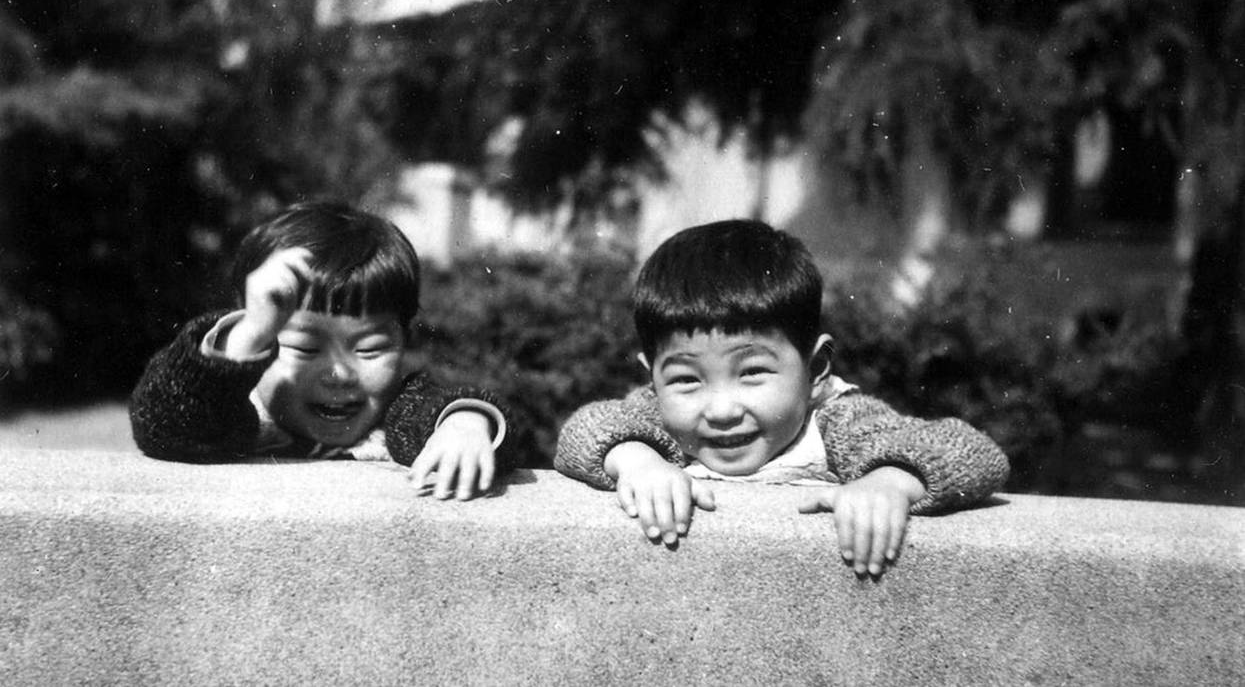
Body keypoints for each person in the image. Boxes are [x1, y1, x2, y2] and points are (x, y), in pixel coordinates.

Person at [555, 219, 1009, 576]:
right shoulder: (658, 421)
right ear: (651, 378)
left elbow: (973, 454)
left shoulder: (836, 418)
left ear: (816, 369)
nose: (722, 410)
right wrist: (638, 462)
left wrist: (888, 483)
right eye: (687, 381)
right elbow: (585, 430)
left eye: (752, 372)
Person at [131, 201, 511, 501]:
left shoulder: (397, 418)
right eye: (305, 346)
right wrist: (251, 332)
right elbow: (163, 423)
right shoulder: (237, 418)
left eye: (369, 349)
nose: (339, 373)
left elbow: (444, 408)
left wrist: (465, 426)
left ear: (403, 342)